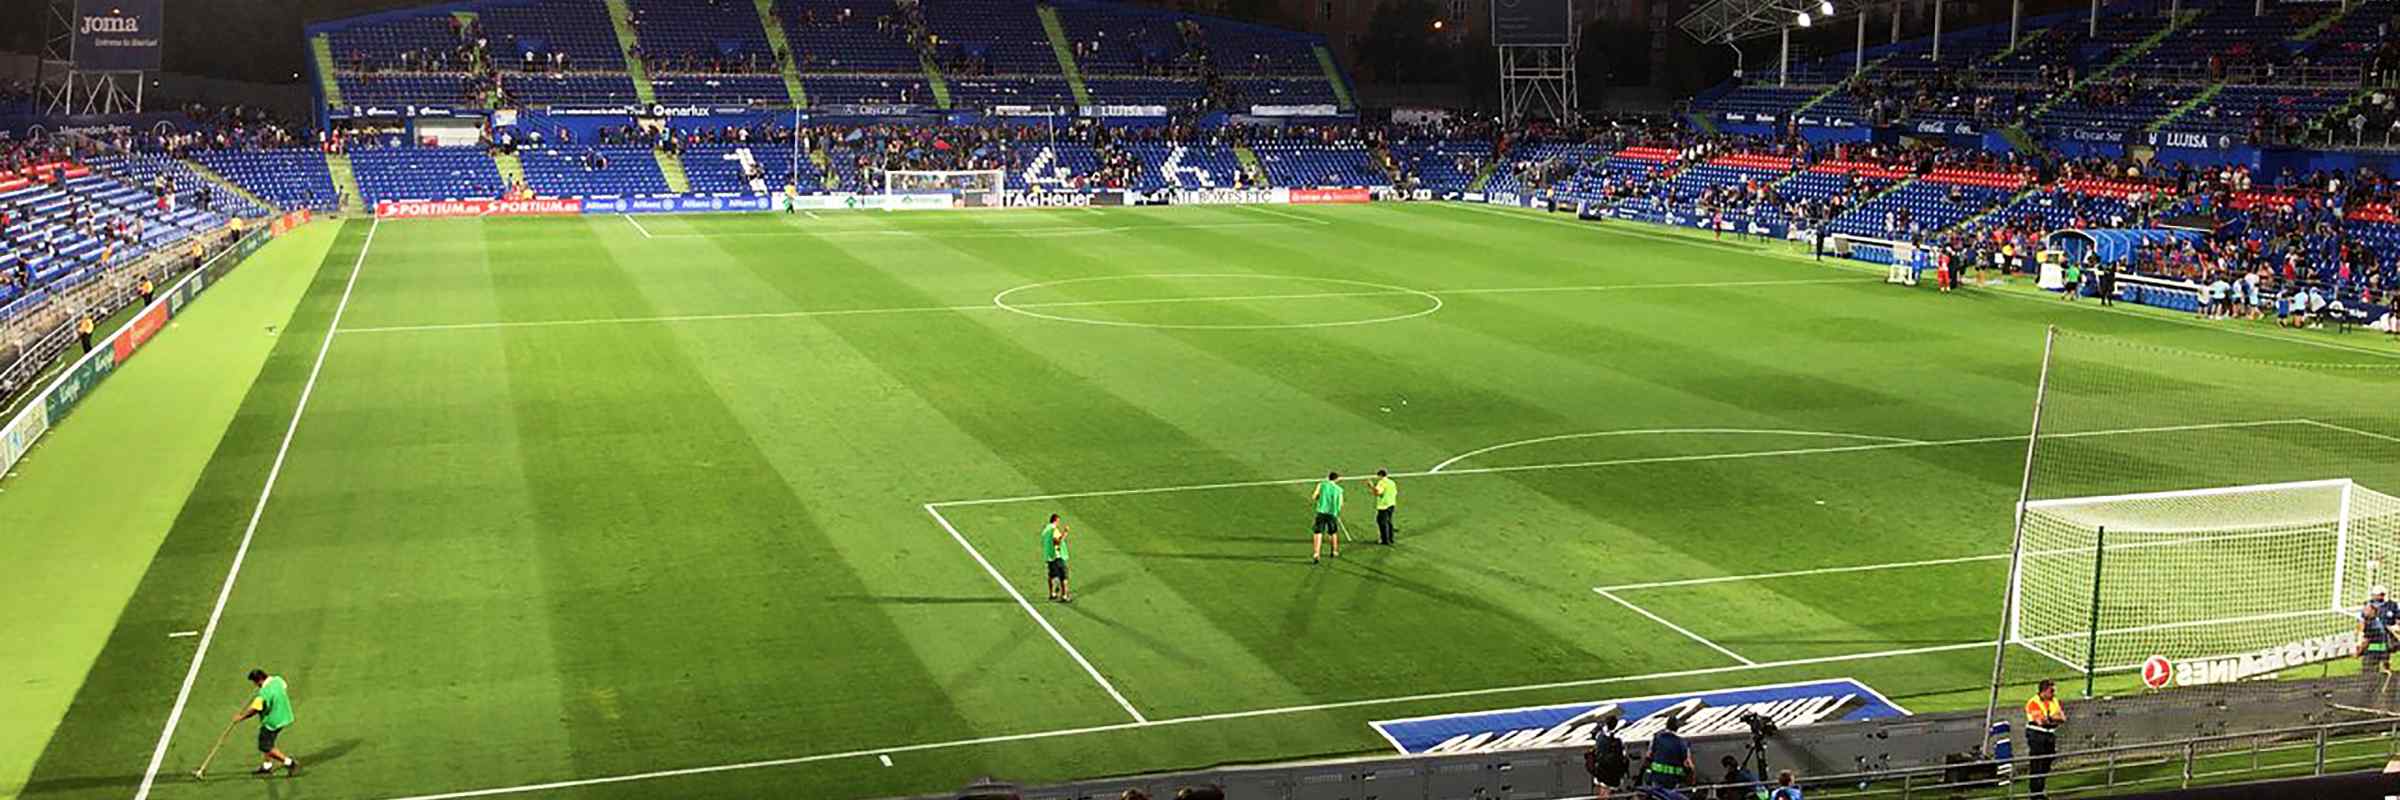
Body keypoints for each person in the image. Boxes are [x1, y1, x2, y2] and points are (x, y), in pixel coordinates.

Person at [234, 668, 298, 776]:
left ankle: (290, 763)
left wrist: (240, 717)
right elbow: (284, 687)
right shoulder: (278, 680)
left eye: (254, 682)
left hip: (272, 722)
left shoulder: (263, 694)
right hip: (285, 715)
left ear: (258, 680)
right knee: (269, 742)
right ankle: (267, 766)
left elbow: (254, 709)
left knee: (265, 746)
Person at [2024, 679, 2063, 799]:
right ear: (2043, 691)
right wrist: (2052, 718)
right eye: (2051, 690)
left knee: (2048, 760)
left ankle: (2040, 789)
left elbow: (2062, 718)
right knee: (2037, 763)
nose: (2053, 693)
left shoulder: (2054, 701)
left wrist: (2049, 719)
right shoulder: (2033, 702)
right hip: (2036, 735)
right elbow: (2040, 721)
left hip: (2049, 734)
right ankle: (2035, 794)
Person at [1642, 715, 1695, 790]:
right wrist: (1691, 778)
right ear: (1677, 728)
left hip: (1657, 779)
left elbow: (1648, 757)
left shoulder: (1656, 738)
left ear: (1666, 726)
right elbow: (1687, 764)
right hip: (1673, 781)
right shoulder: (1682, 743)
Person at [1586, 710, 1630, 798]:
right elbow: (1623, 757)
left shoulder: (1601, 736)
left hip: (1603, 772)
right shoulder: (1618, 741)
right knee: (1606, 791)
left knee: (1605, 790)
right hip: (1611, 774)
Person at [2358, 586, 2395, 673]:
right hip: (2376, 648)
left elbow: (2367, 639)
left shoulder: (2373, 625)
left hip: (2375, 649)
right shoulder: (2372, 624)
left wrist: (2359, 651)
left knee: (2372, 672)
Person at [1310, 471, 1343, 563]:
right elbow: (1340, 504)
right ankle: (1334, 551)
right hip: (1332, 513)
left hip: (1321, 512)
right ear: (1336, 479)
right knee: (1333, 533)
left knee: (1318, 533)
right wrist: (1337, 512)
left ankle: (1316, 553)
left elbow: (1314, 497)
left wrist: (1319, 498)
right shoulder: (1339, 489)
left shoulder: (1321, 485)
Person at [1040, 514, 1070, 603]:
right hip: (1057, 556)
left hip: (1049, 556)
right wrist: (1065, 533)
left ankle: (1052, 594)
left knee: (1051, 576)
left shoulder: (1045, 531)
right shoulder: (1054, 530)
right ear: (1056, 520)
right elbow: (1057, 541)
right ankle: (1064, 596)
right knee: (1064, 576)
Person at [1368, 468, 1399, 545]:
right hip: (1391, 504)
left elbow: (1378, 493)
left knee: (1382, 522)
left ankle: (1384, 540)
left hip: (1384, 505)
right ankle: (1391, 538)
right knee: (1389, 522)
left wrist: (1371, 486)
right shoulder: (1392, 482)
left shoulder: (1381, 483)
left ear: (1380, 475)